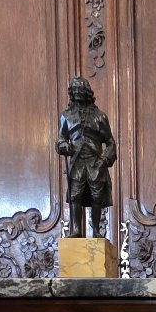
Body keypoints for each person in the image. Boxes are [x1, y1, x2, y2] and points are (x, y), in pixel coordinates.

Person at [56, 75, 117, 238]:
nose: (77, 92)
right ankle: (76, 230)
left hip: (95, 162)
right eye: (74, 89)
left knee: (96, 195)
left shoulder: (99, 116)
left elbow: (111, 142)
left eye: (80, 89)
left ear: (87, 92)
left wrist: (104, 160)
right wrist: (63, 146)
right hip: (77, 162)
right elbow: (61, 138)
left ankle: (96, 230)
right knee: (76, 195)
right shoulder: (66, 116)